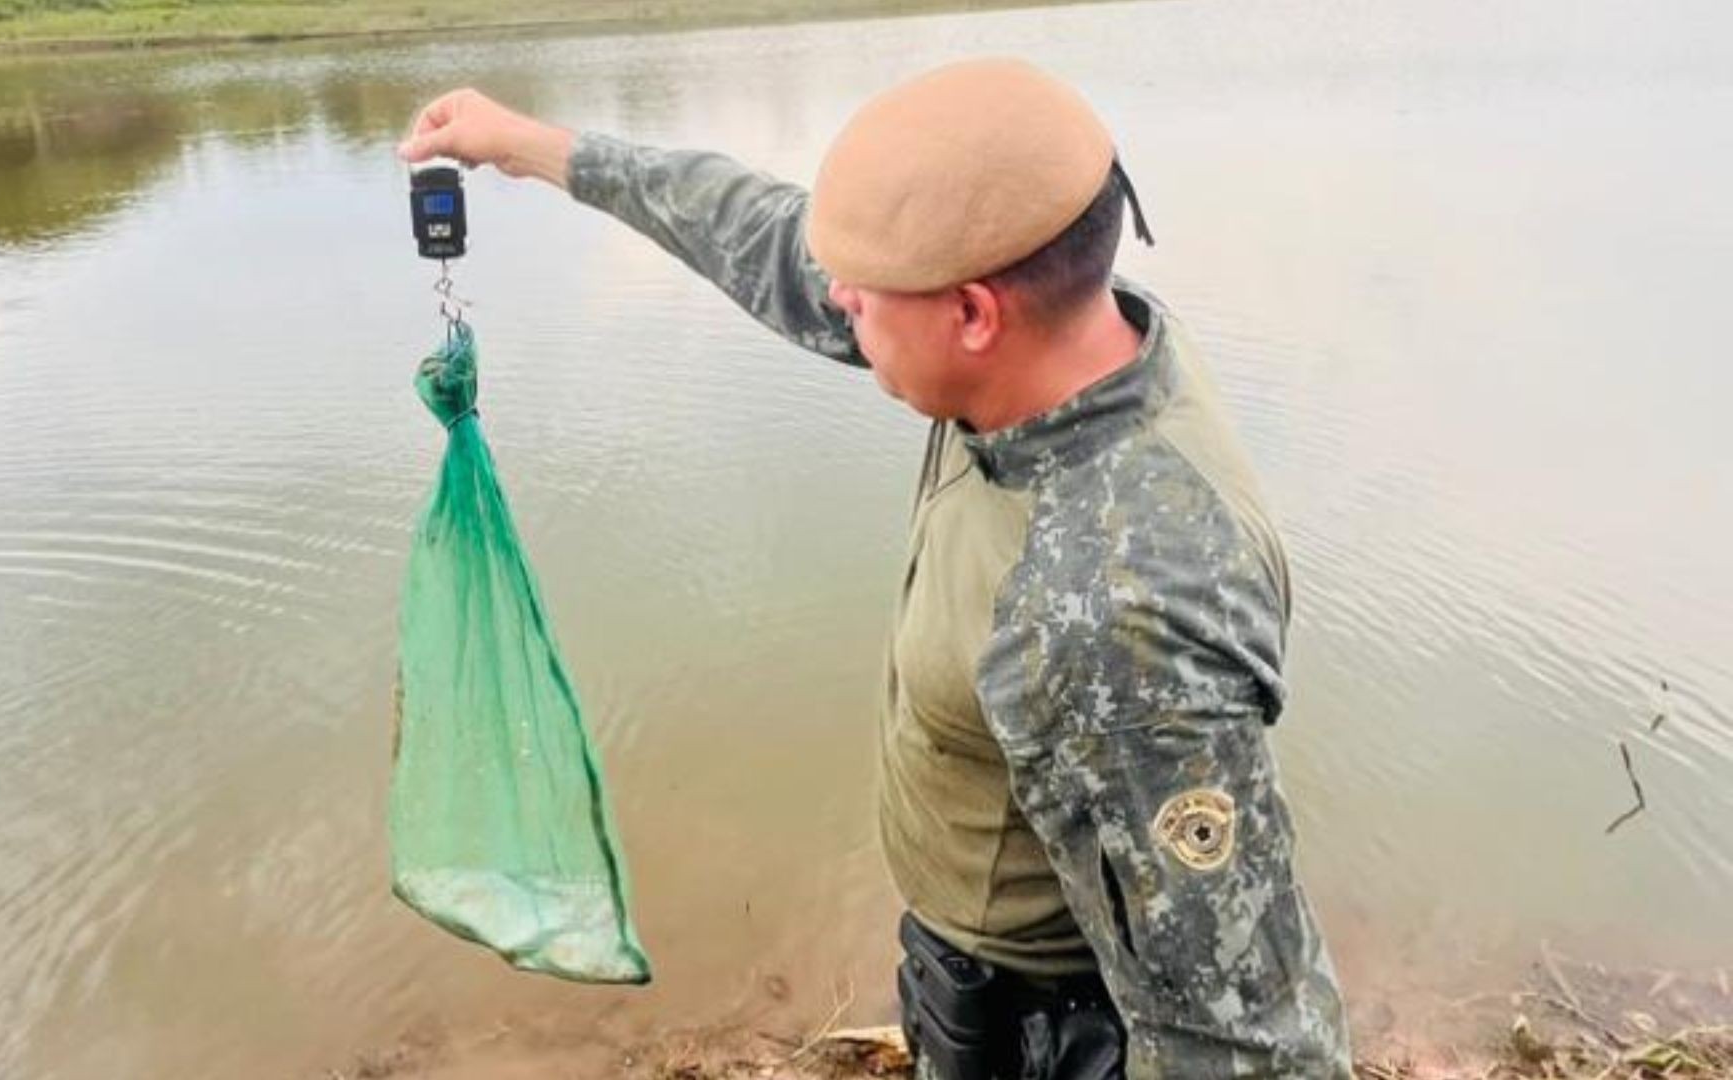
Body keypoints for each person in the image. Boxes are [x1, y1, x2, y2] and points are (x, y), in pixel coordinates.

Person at [398, 57, 1352, 1079]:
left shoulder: (1118, 612)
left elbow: (1244, 1037)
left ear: (973, 314)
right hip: (974, 980)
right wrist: (533, 148)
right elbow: (768, 238)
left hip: (1054, 1033)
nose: (835, 298)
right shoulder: (1069, 331)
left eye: (863, 297)